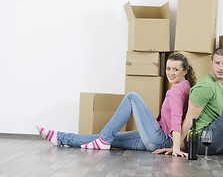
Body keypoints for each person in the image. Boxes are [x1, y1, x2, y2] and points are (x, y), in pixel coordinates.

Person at [37, 53, 196, 157]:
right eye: (168, 68)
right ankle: (61, 138)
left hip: (161, 138)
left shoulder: (177, 91)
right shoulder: (183, 87)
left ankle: (103, 139)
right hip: (158, 138)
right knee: (108, 139)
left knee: (132, 97)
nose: (171, 72)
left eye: (175, 69)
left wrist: (175, 148)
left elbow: (177, 119)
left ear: (184, 71)